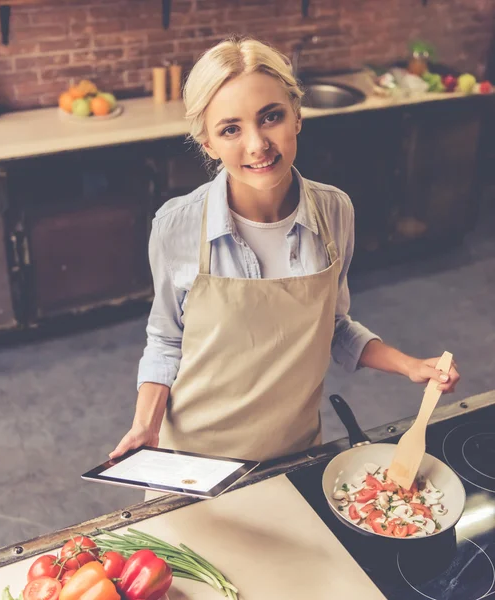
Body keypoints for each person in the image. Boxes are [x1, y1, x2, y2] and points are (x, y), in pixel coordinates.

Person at [110, 37, 459, 477]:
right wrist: (146, 424)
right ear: (207, 143)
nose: (257, 145)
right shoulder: (176, 225)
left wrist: (411, 366)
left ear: (297, 116)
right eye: (231, 129)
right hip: (194, 460)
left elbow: (331, 325)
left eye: (270, 117)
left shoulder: (335, 211)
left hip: (295, 452)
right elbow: (165, 339)